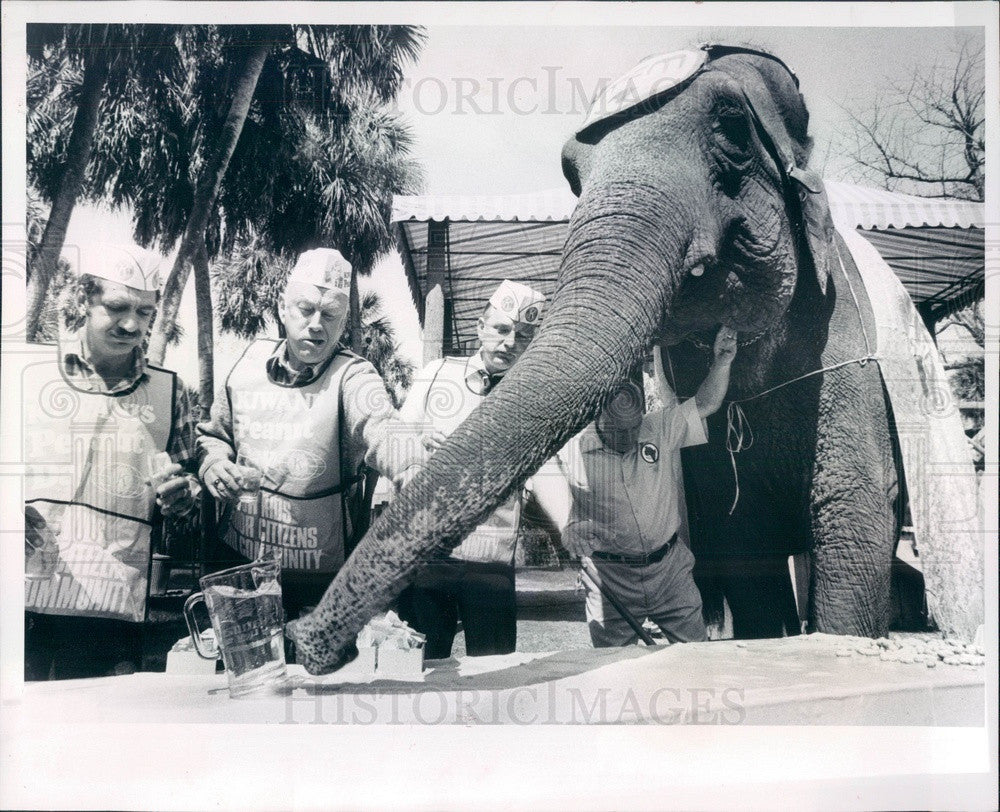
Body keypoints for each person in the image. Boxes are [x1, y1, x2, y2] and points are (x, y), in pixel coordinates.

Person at [23, 245, 200, 680]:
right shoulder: (27, 372)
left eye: (145, 312)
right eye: (118, 307)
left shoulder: (169, 393)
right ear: (83, 299)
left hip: (109, 612)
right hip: (18, 595)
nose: (131, 324)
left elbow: (186, 506)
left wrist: (184, 499)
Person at [197, 248, 402, 620]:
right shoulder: (248, 364)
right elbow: (215, 435)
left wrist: (413, 469)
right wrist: (213, 462)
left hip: (321, 575)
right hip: (243, 564)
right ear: (282, 307)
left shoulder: (354, 376)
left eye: (330, 315)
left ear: (344, 323)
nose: (317, 325)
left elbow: (383, 428)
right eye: (306, 309)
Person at [553, 326, 737, 647]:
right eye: (618, 431)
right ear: (598, 417)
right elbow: (544, 498)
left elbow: (705, 404)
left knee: (698, 663)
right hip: (610, 580)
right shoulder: (572, 449)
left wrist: (721, 363)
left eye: (633, 428)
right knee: (614, 673)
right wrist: (566, 525)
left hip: (670, 572)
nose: (628, 439)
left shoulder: (658, 427)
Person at [395, 280, 546, 659]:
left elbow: (544, 472)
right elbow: (395, 444)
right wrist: (419, 449)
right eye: (502, 329)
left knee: (494, 680)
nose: (510, 342)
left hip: (491, 564)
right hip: (427, 557)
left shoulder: (534, 398)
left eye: (523, 335)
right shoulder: (435, 375)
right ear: (480, 327)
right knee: (419, 672)